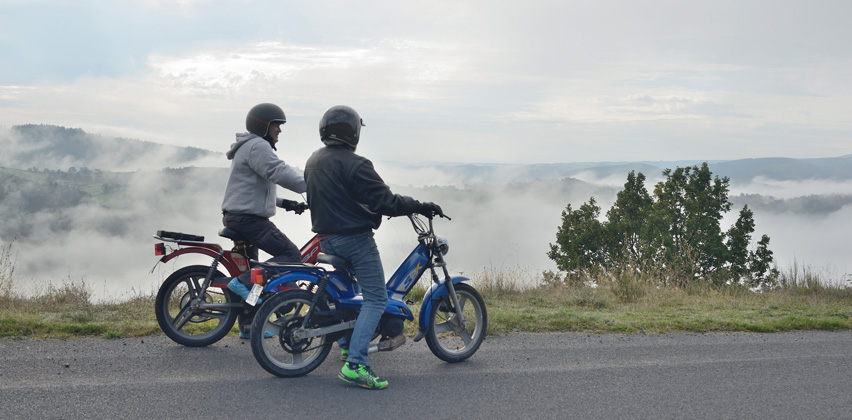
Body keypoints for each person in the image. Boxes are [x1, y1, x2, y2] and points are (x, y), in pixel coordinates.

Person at [304, 105, 442, 390]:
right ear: (352, 131)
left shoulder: (313, 160)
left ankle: (346, 345)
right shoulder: (357, 164)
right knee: (377, 299)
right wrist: (419, 205)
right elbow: (386, 201)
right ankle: (356, 364)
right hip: (355, 240)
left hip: (326, 239)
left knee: (349, 295)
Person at [222, 102, 308, 339]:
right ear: (263, 126)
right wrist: (314, 183)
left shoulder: (249, 146)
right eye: (276, 126)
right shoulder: (258, 146)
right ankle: (241, 281)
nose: (279, 131)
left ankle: (249, 325)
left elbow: (255, 188)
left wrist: (285, 203)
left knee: (257, 274)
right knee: (291, 255)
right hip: (249, 221)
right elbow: (278, 172)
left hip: (240, 217)